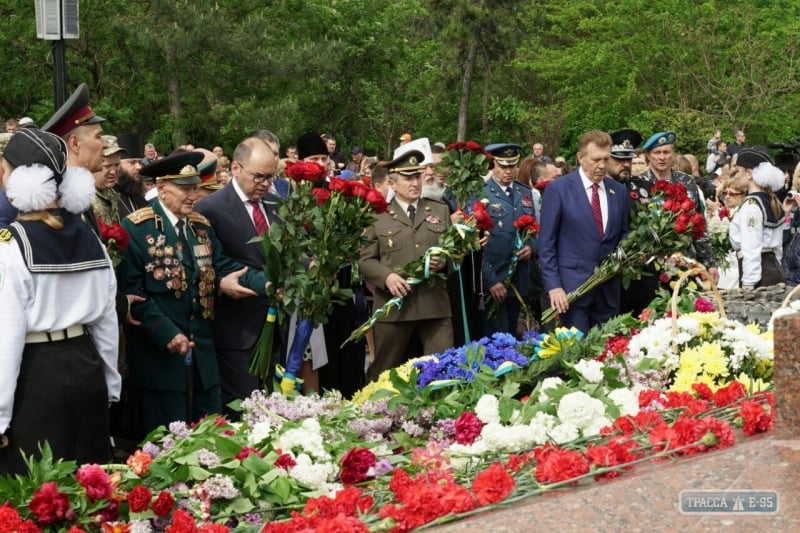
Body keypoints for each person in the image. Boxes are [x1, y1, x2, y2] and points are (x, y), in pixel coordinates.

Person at [118, 152, 269, 432]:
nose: (193, 195)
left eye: (195, 188)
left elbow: (223, 266)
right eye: (184, 189)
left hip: (203, 361)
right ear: (162, 188)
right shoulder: (137, 229)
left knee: (210, 440)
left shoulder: (200, 227)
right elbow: (133, 293)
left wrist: (267, 284)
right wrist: (167, 333)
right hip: (161, 363)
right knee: (166, 448)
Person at [0, 128, 120, 474]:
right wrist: (110, 386)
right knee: (90, 489)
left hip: (36, 376)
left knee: (38, 496)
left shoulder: (10, 245)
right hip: (87, 366)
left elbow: (7, 337)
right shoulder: (91, 239)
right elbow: (106, 322)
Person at [194, 138, 282, 418]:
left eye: (271, 177)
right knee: (243, 411)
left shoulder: (275, 203)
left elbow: (287, 252)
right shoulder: (211, 208)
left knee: (273, 408)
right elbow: (211, 263)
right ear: (235, 168)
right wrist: (224, 281)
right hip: (236, 329)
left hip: (274, 325)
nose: (266, 184)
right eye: (259, 176)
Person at [359, 146, 453, 381]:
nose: (415, 183)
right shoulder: (377, 216)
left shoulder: (439, 210)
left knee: (443, 368)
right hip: (395, 307)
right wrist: (387, 277)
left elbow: (454, 253)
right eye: (407, 178)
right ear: (391, 183)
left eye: (417, 176)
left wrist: (444, 261)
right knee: (383, 373)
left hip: (434, 305)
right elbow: (365, 260)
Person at [539, 130, 629, 334]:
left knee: (607, 355)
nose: (602, 165)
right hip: (572, 292)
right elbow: (547, 244)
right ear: (580, 158)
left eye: (606, 159)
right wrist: (553, 286)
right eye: (596, 159)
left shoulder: (618, 191)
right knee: (574, 357)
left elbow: (624, 233)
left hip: (608, 291)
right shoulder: (559, 190)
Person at [481, 143, 536, 336]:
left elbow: (536, 229)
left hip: (519, 279)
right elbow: (476, 244)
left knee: (515, 334)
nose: (508, 171)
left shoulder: (524, 192)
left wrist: (531, 247)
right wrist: (490, 280)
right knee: (495, 337)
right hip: (494, 279)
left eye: (512, 166)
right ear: (493, 164)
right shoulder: (481, 193)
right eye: (503, 166)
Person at [42, 82, 109, 238]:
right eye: (98, 136)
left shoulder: (74, 193)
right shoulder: (57, 200)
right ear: (75, 143)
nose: (105, 144)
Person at [729, 149, 788, 288]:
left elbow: (751, 247)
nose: (735, 176)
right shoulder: (772, 201)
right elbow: (778, 248)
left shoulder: (752, 206)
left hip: (760, 276)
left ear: (749, 173)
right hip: (773, 269)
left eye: (738, 171)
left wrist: (749, 284)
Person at [92, 135, 126, 225]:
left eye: (117, 165)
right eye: (107, 166)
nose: (113, 172)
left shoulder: (111, 193)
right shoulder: (83, 199)